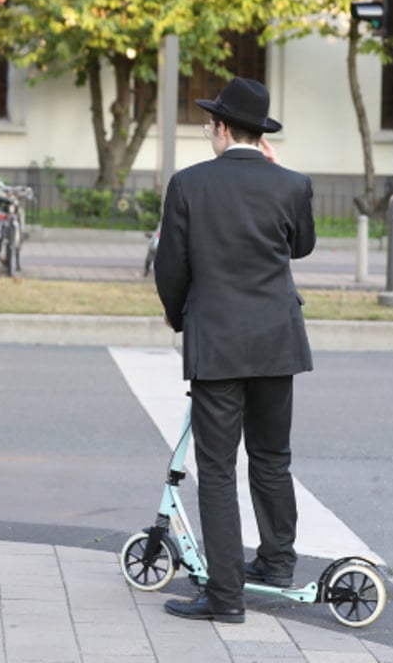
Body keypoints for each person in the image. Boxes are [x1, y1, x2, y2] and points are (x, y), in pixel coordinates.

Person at [154, 76, 316, 624]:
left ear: (223, 128)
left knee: (218, 469)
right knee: (272, 458)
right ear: (260, 133)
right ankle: (276, 564)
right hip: (277, 342)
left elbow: (170, 268)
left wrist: (182, 319)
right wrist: (272, 171)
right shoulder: (291, 184)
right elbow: (302, 246)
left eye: (210, 125)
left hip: (217, 343)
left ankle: (225, 597)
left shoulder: (189, 185)